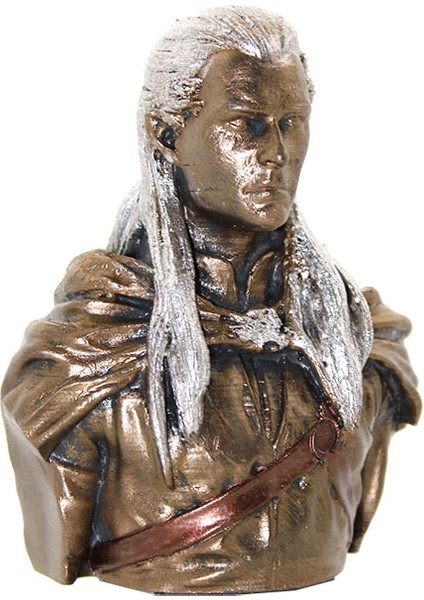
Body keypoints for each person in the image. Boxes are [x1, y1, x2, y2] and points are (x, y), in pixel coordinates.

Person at [1, 6, 421, 594]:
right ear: (167, 134)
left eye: (291, 122)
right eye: (247, 124)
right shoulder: (82, 356)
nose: (276, 152)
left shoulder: (361, 344)